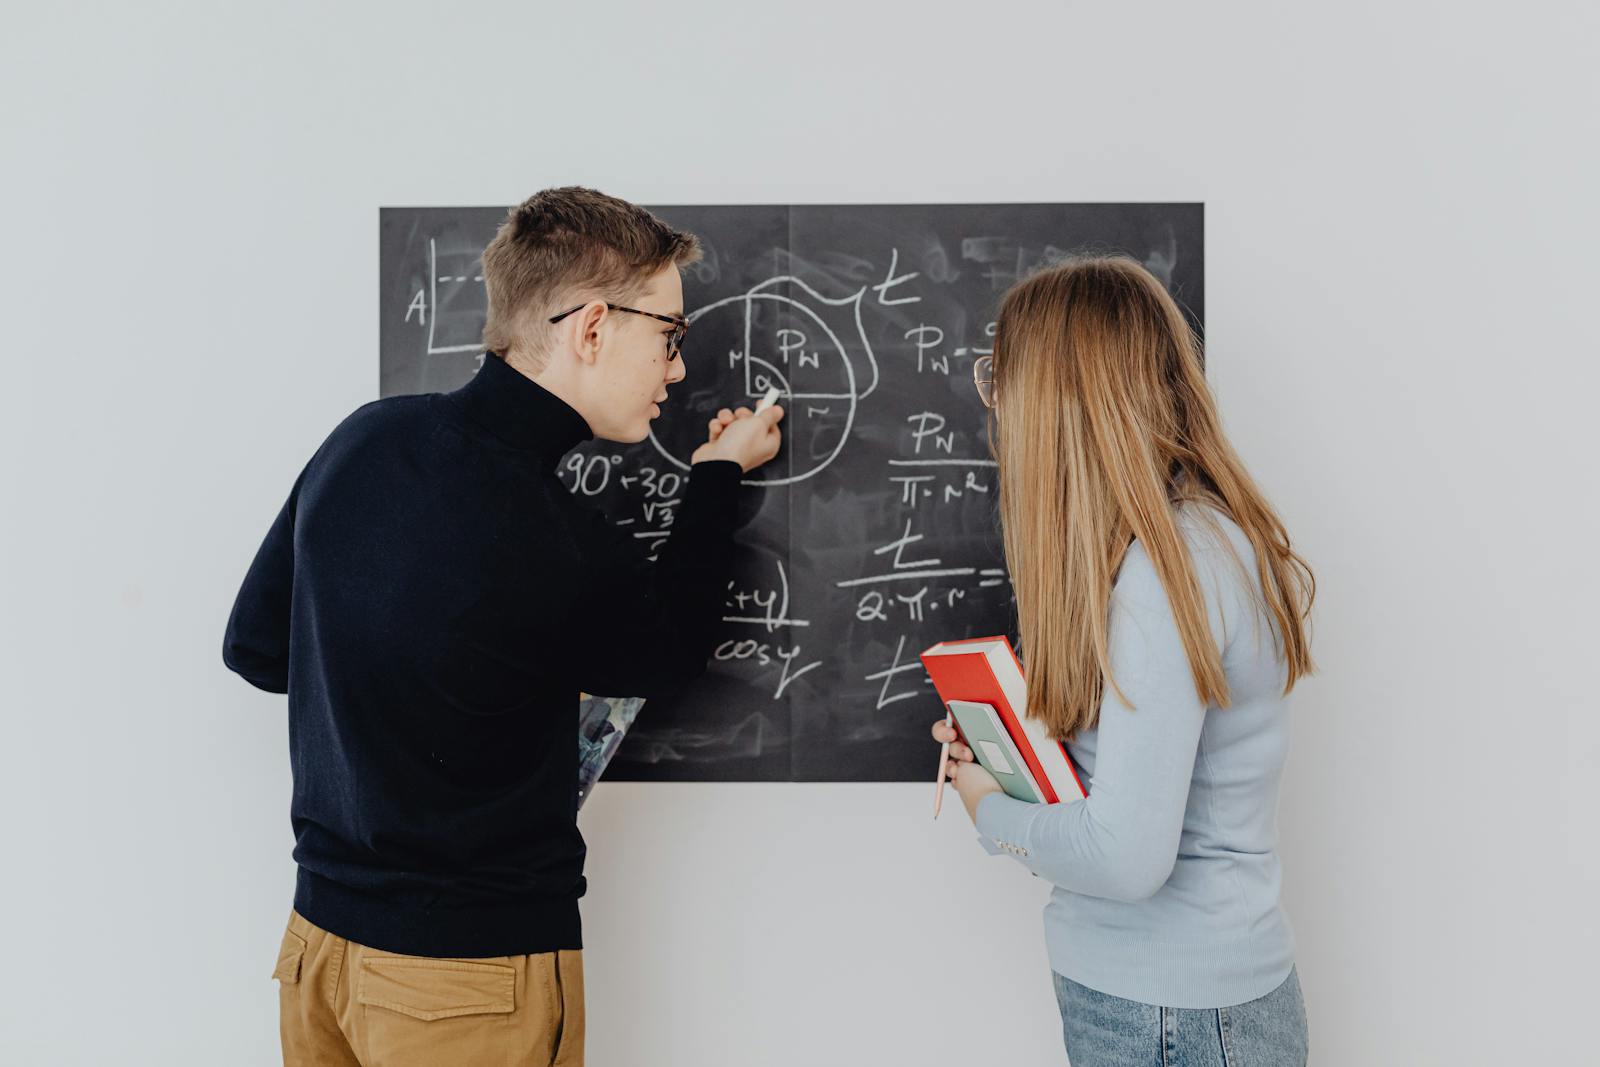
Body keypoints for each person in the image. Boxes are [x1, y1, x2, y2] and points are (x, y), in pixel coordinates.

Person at [223, 186, 784, 1066]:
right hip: (464, 982)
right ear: (593, 327)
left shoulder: (364, 440)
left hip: (318, 950)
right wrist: (714, 475)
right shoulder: (551, 530)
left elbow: (255, 648)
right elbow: (668, 650)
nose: (677, 370)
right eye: (669, 337)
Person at [933, 256, 1315, 1064]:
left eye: (1003, 384)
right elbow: (1131, 776)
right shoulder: (1189, 546)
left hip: (1172, 1017)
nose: (998, 411)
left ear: (1056, 403)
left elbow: (1127, 854)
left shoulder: (1159, 578)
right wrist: (1010, 753)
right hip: (1175, 1006)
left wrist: (984, 807)